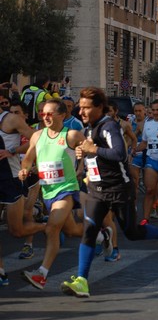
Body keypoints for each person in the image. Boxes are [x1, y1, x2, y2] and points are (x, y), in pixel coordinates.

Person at [60, 87, 158, 298]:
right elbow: (92, 155)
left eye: (86, 108)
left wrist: (93, 150)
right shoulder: (89, 128)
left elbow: (119, 153)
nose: (81, 112)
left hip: (119, 189)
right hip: (96, 189)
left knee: (131, 232)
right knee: (89, 230)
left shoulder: (109, 126)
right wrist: (82, 154)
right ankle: (82, 281)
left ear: (98, 107)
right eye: (81, 108)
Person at [19, 98, 86, 289]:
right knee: (72, 230)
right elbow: (29, 159)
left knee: (51, 228)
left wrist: (82, 158)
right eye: (43, 114)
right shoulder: (37, 136)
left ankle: (42, 274)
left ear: (62, 115)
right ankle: (99, 234)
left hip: (66, 189)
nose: (45, 117)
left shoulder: (71, 135)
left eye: (50, 113)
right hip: (47, 191)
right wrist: (24, 169)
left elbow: (90, 148)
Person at [0, 103, 43, 285]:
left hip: (10, 180)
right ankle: (1, 272)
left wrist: (13, 151)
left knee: (16, 230)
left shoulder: (10, 119)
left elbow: (38, 139)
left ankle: (52, 226)